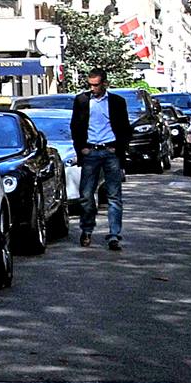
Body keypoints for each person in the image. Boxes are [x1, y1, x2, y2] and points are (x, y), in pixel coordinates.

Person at [71, 70, 132, 249]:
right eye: (90, 85)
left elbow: (125, 128)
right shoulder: (82, 100)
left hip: (110, 151)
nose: (93, 88)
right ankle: (87, 230)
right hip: (90, 152)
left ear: (104, 83)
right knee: (86, 195)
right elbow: (75, 125)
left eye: (96, 85)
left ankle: (114, 235)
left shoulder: (117, 102)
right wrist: (82, 148)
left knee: (114, 195)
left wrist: (118, 147)